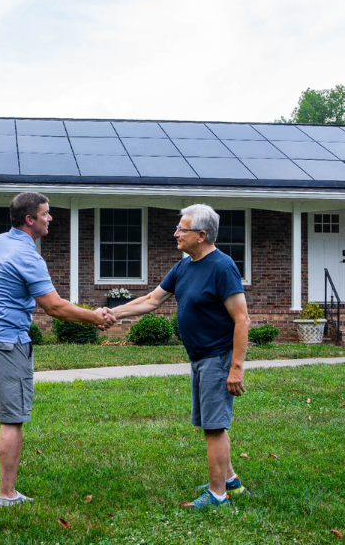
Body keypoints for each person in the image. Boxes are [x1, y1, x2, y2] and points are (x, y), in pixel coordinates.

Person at [0, 192, 116, 507]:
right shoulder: (29, 257)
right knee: (12, 419)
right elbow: (54, 307)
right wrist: (94, 317)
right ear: (30, 219)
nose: (50, 217)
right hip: (8, 343)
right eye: (46, 213)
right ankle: (8, 495)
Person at [110, 204, 250, 509]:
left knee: (214, 426)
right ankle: (231, 483)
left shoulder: (222, 267)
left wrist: (236, 367)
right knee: (209, 424)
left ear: (201, 235)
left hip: (218, 356)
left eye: (181, 229)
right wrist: (112, 313)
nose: (176, 233)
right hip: (199, 356)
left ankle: (217, 496)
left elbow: (242, 319)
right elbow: (151, 300)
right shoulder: (184, 266)